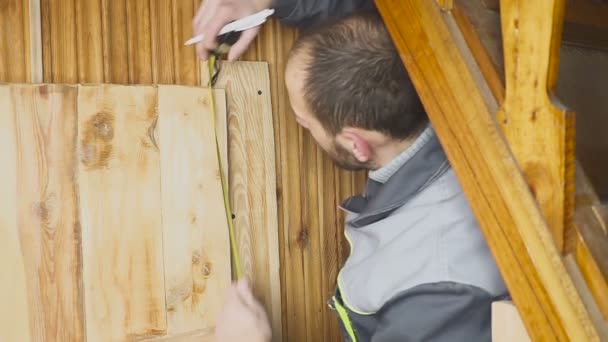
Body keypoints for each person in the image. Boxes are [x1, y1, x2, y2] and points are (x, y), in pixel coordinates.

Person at [205, 7, 509, 342]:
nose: (298, 124)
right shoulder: (455, 93)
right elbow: (355, 23)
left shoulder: (438, 288)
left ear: (358, 145)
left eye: (304, 121)